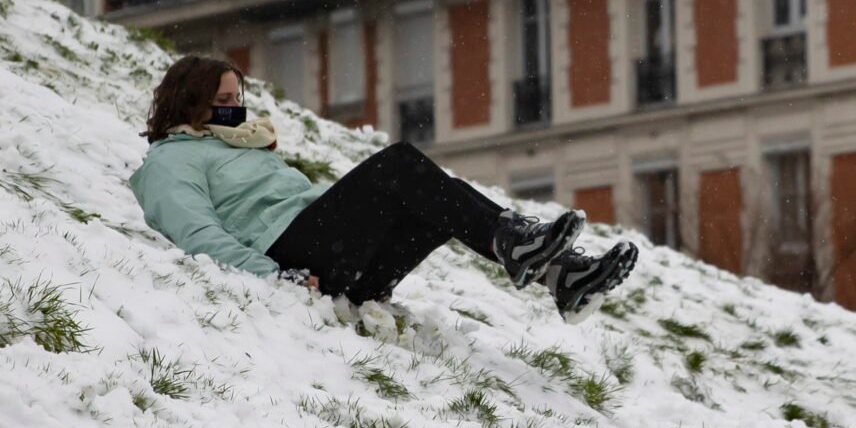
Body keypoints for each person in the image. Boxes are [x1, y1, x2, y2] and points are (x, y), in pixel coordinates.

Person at [129, 53, 638, 320]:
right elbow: (196, 233)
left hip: (342, 270)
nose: (235, 108)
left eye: (238, 97)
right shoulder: (171, 160)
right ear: (188, 101)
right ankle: (515, 242)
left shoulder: (242, 143)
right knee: (399, 167)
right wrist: (270, 275)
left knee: (436, 197)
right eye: (221, 98)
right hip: (289, 259)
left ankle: (560, 276)